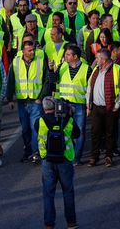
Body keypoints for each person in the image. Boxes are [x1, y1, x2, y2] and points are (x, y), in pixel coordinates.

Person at [37, 97, 79, 229]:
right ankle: (71, 223)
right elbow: (77, 134)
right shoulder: (67, 119)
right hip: (65, 159)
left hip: (47, 161)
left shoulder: (40, 121)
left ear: (44, 108)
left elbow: (36, 131)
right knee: (68, 191)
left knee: (48, 194)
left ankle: (49, 224)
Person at [7, 40, 50, 162]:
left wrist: (40, 98)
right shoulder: (15, 62)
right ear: (23, 51)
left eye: (33, 50)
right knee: (25, 128)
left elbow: (47, 81)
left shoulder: (40, 62)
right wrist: (10, 99)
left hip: (35, 101)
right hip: (22, 102)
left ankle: (36, 152)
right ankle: (28, 151)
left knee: (35, 128)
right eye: (29, 50)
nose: (32, 52)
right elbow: (11, 80)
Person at [52, 44, 90, 165]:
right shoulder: (62, 66)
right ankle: (69, 153)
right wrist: (50, 69)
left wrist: (89, 105)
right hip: (63, 104)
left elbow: (90, 89)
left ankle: (76, 158)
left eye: (68, 55)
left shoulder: (86, 69)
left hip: (79, 105)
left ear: (75, 56)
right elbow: (53, 80)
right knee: (65, 130)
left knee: (80, 132)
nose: (65, 57)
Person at [87, 48, 120, 167]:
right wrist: (89, 104)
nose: (96, 60)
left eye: (97, 58)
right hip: (97, 107)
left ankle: (109, 156)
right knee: (95, 132)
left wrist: (117, 105)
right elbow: (89, 87)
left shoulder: (116, 69)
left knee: (110, 133)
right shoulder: (96, 70)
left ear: (103, 59)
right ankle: (94, 156)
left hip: (110, 107)